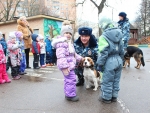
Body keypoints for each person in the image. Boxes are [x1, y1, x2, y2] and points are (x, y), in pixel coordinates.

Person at [52, 21, 83, 102]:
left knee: (68, 80)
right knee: (71, 79)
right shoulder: (61, 44)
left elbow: (73, 54)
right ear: (62, 34)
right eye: (66, 33)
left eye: (70, 33)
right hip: (66, 66)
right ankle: (70, 95)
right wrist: (65, 67)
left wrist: (81, 58)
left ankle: (68, 93)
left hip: (70, 65)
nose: (68, 35)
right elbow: (60, 56)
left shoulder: (69, 43)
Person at [96, 19, 124, 104]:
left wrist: (100, 64)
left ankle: (106, 98)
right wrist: (121, 60)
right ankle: (114, 96)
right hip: (118, 60)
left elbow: (103, 53)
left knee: (107, 80)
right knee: (116, 80)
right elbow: (122, 50)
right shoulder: (119, 34)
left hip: (109, 61)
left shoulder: (103, 37)